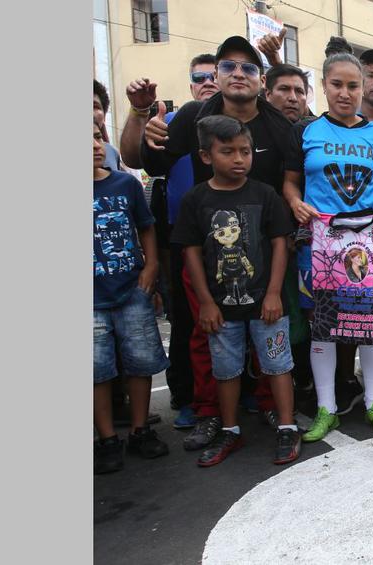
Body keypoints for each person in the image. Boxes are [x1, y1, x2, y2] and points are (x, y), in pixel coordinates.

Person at [139, 36, 293, 451]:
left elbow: (295, 177)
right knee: (206, 336)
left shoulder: (279, 124)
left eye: (248, 67)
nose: (237, 74)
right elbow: (145, 160)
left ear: (261, 79)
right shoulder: (191, 116)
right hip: (205, 256)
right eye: (228, 67)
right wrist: (141, 116)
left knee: (267, 337)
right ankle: (208, 413)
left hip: (264, 258)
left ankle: (269, 406)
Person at [282, 50, 373, 440]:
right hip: (320, 243)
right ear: (322, 86)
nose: (345, 92)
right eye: (337, 84)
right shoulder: (305, 132)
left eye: (353, 85)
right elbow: (290, 181)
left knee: (370, 323)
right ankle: (327, 408)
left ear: (363, 89)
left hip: (370, 245)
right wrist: (294, 202)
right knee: (322, 326)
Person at [172, 115, 298, 466]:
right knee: (225, 370)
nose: (240, 159)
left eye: (245, 151)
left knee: (278, 364)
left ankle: (287, 425)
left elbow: (279, 243)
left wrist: (273, 293)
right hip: (221, 309)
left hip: (266, 305)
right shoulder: (196, 200)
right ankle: (230, 430)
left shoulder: (265, 194)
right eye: (228, 152)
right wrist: (207, 303)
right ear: (206, 156)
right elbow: (191, 253)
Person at [120, 54, 221, 430]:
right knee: (188, 322)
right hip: (182, 239)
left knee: (238, 318)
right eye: (200, 76)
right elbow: (134, 157)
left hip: (234, 237)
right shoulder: (173, 121)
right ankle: (190, 396)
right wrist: (142, 113)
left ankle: (239, 391)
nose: (209, 81)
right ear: (191, 82)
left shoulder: (241, 122)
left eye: (215, 74)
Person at [93, 122, 170, 474]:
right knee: (96, 370)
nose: (95, 145)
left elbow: (145, 226)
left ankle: (140, 429)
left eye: (96, 136)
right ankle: (106, 438)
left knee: (140, 363)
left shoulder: (124, 184)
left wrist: (150, 266)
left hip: (131, 290)